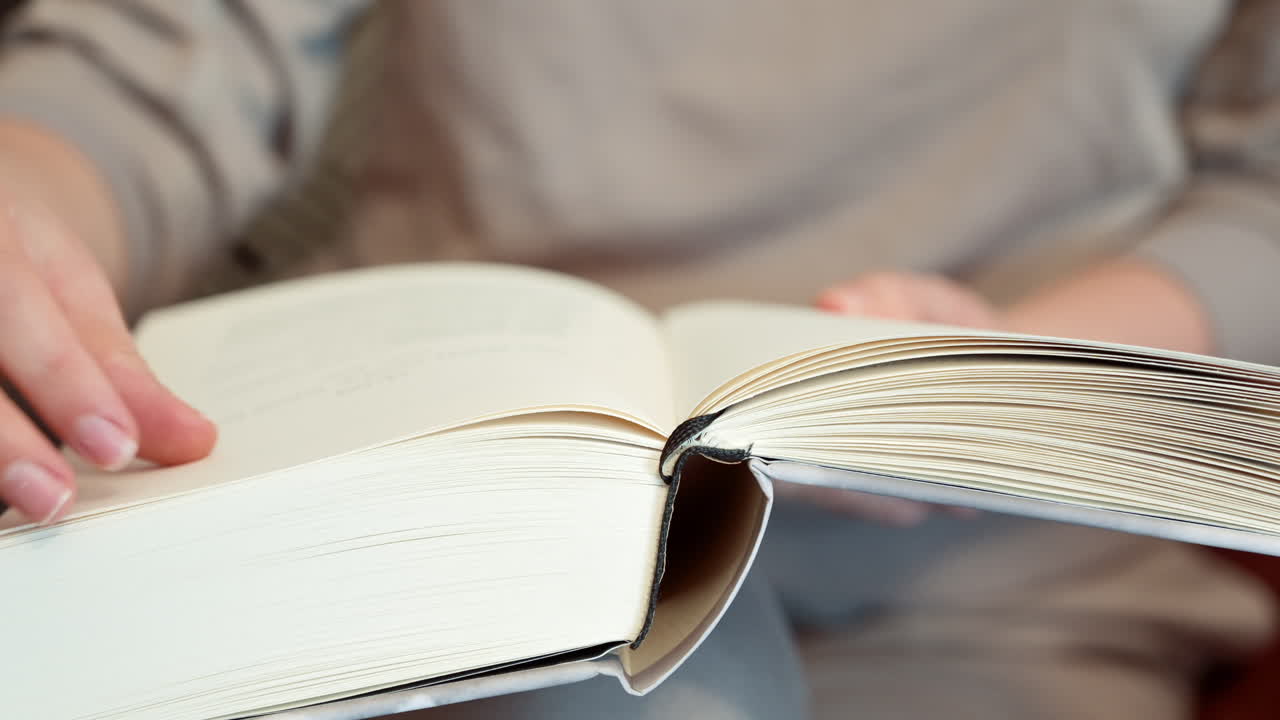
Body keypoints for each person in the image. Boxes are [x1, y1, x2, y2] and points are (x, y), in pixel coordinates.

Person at [0, 1, 1274, 717]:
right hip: (426, 506)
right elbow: (169, 56)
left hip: (995, 569)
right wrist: (25, 190)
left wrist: (982, 386)